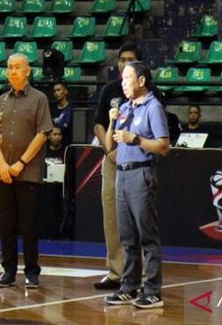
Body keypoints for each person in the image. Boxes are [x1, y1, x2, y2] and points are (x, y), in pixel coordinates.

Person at [103, 61, 170, 309]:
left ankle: (152, 291)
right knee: (127, 236)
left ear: (141, 81)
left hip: (142, 174)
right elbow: (110, 145)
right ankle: (128, 287)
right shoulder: (124, 107)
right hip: (121, 173)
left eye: (127, 78)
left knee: (147, 236)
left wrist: (137, 139)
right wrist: (112, 122)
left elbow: (164, 146)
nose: (123, 83)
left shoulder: (154, 108)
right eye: (122, 79)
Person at [0, 53, 53, 289]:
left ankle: (32, 271)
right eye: (10, 67)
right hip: (3, 172)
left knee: (28, 224)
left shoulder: (39, 99)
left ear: (28, 71)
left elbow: (43, 133)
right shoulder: (1, 101)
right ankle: (8, 271)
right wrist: (3, 164)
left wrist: (21, 163)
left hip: (28, 172)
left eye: (18, 67)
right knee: (6, 225)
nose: (13, 71)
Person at [92, 42, 141, 290]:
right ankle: (115, 272)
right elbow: (98, 124)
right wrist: (109, 149)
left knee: (137, 219)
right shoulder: (110, 89)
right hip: (111, 162)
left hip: (138, 163)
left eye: (130, 59)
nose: (124, 63)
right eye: (122, 59)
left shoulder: (148, 92)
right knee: (111, 218)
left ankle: (140, 276)